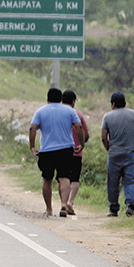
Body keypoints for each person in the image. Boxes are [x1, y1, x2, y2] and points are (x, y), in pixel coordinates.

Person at [30, 87, 84, 217]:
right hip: (66, 149)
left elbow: (32, 128)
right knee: (64, 177)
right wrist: (81, 143)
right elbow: (79, 126)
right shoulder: (70, 111)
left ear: (48, 99)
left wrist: (32, 146)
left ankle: (49, 209)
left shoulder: (40, 111)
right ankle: (64, 204)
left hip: (47, 150)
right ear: (60, 99)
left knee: (47, 179)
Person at [101, 92, 134, 217]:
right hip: (130, 154)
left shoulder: (107, 117)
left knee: (113, 182)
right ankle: (130, 205)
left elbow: (103, 137)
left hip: (114, 155)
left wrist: (108, 148)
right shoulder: (133, 114)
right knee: (130, 181)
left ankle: (113, 208)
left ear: (113, 104)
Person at [61, 89, 90, 216]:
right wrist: (82, 143)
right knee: (75, 179)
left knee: (63, 177)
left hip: (62, 150)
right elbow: (85, 133)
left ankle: (63, 202)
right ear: (73, 102)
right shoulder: (78, 114)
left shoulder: (59, 113)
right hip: (76, 151)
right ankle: (71, 202)